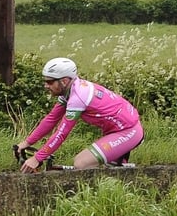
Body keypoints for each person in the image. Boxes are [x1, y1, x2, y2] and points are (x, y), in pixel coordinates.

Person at [14, 57, 145, 173]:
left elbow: (61, 133)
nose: (46, 86)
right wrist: (26, 142)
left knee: (81, 163)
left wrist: (37, 158)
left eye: (49, 82)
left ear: (64, 81)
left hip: (129, 132)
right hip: (116, 131)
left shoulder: (78, 97)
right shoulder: (70, 89)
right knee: (97, 167)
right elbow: (51, 119)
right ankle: (116, 168)